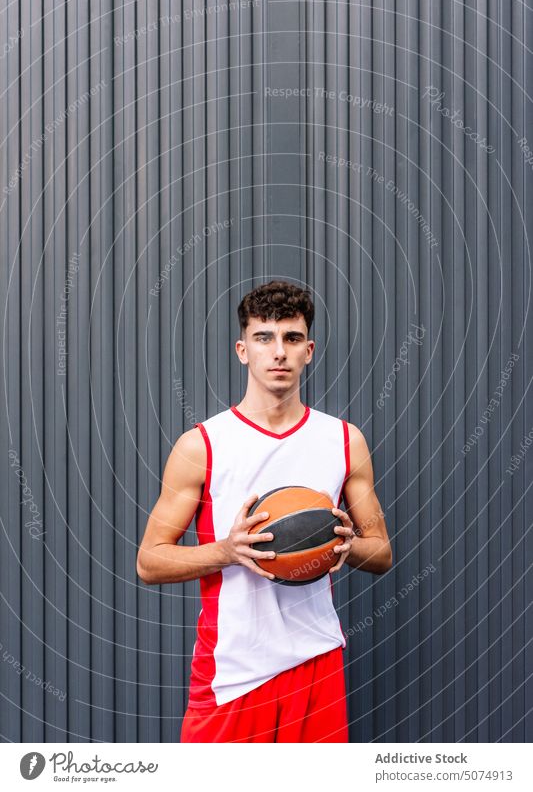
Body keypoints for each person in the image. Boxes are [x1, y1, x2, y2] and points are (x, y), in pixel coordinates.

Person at [137, 280, 393, 742]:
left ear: (309, 350)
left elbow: (381, 554)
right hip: (232, 670)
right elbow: (150, 561)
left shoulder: (343, 441)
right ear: (242, 350)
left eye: (292, 339)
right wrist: (229, 551)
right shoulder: (202, 446)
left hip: (316, 662)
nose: (279, 352)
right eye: (264, 338)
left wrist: (349, 546)